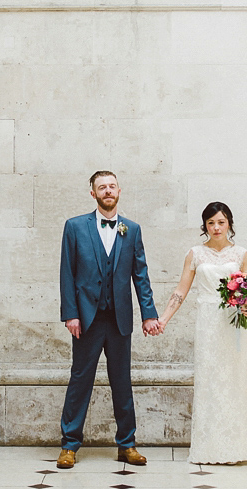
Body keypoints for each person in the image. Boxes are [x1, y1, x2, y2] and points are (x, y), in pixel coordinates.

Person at [56, 170, 162, 469]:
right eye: (101, 187)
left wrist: (149, 313)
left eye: (111, 186)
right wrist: (71, 314)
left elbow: (140, 275)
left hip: (119, 320)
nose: (107, 191)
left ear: (119, 190)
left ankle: (127, 444)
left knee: (122, 382)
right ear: (93, 193)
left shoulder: (132, 229)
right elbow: (67, 273)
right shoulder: (75, 227)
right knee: (80, 381)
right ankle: (69, 445)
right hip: (86, 320)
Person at [156, 202, 247, 464]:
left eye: (221, 222)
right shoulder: (195, 254)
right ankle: (209, 447)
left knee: (235, 379)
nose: (216, 227)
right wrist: (163, 319)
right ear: (204, 226)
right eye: (211, 223)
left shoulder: (241, 254)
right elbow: (181, 290)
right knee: (210, 380)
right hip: (207, 323)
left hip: (233, 321)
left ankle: (238, 447)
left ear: (229, 224)